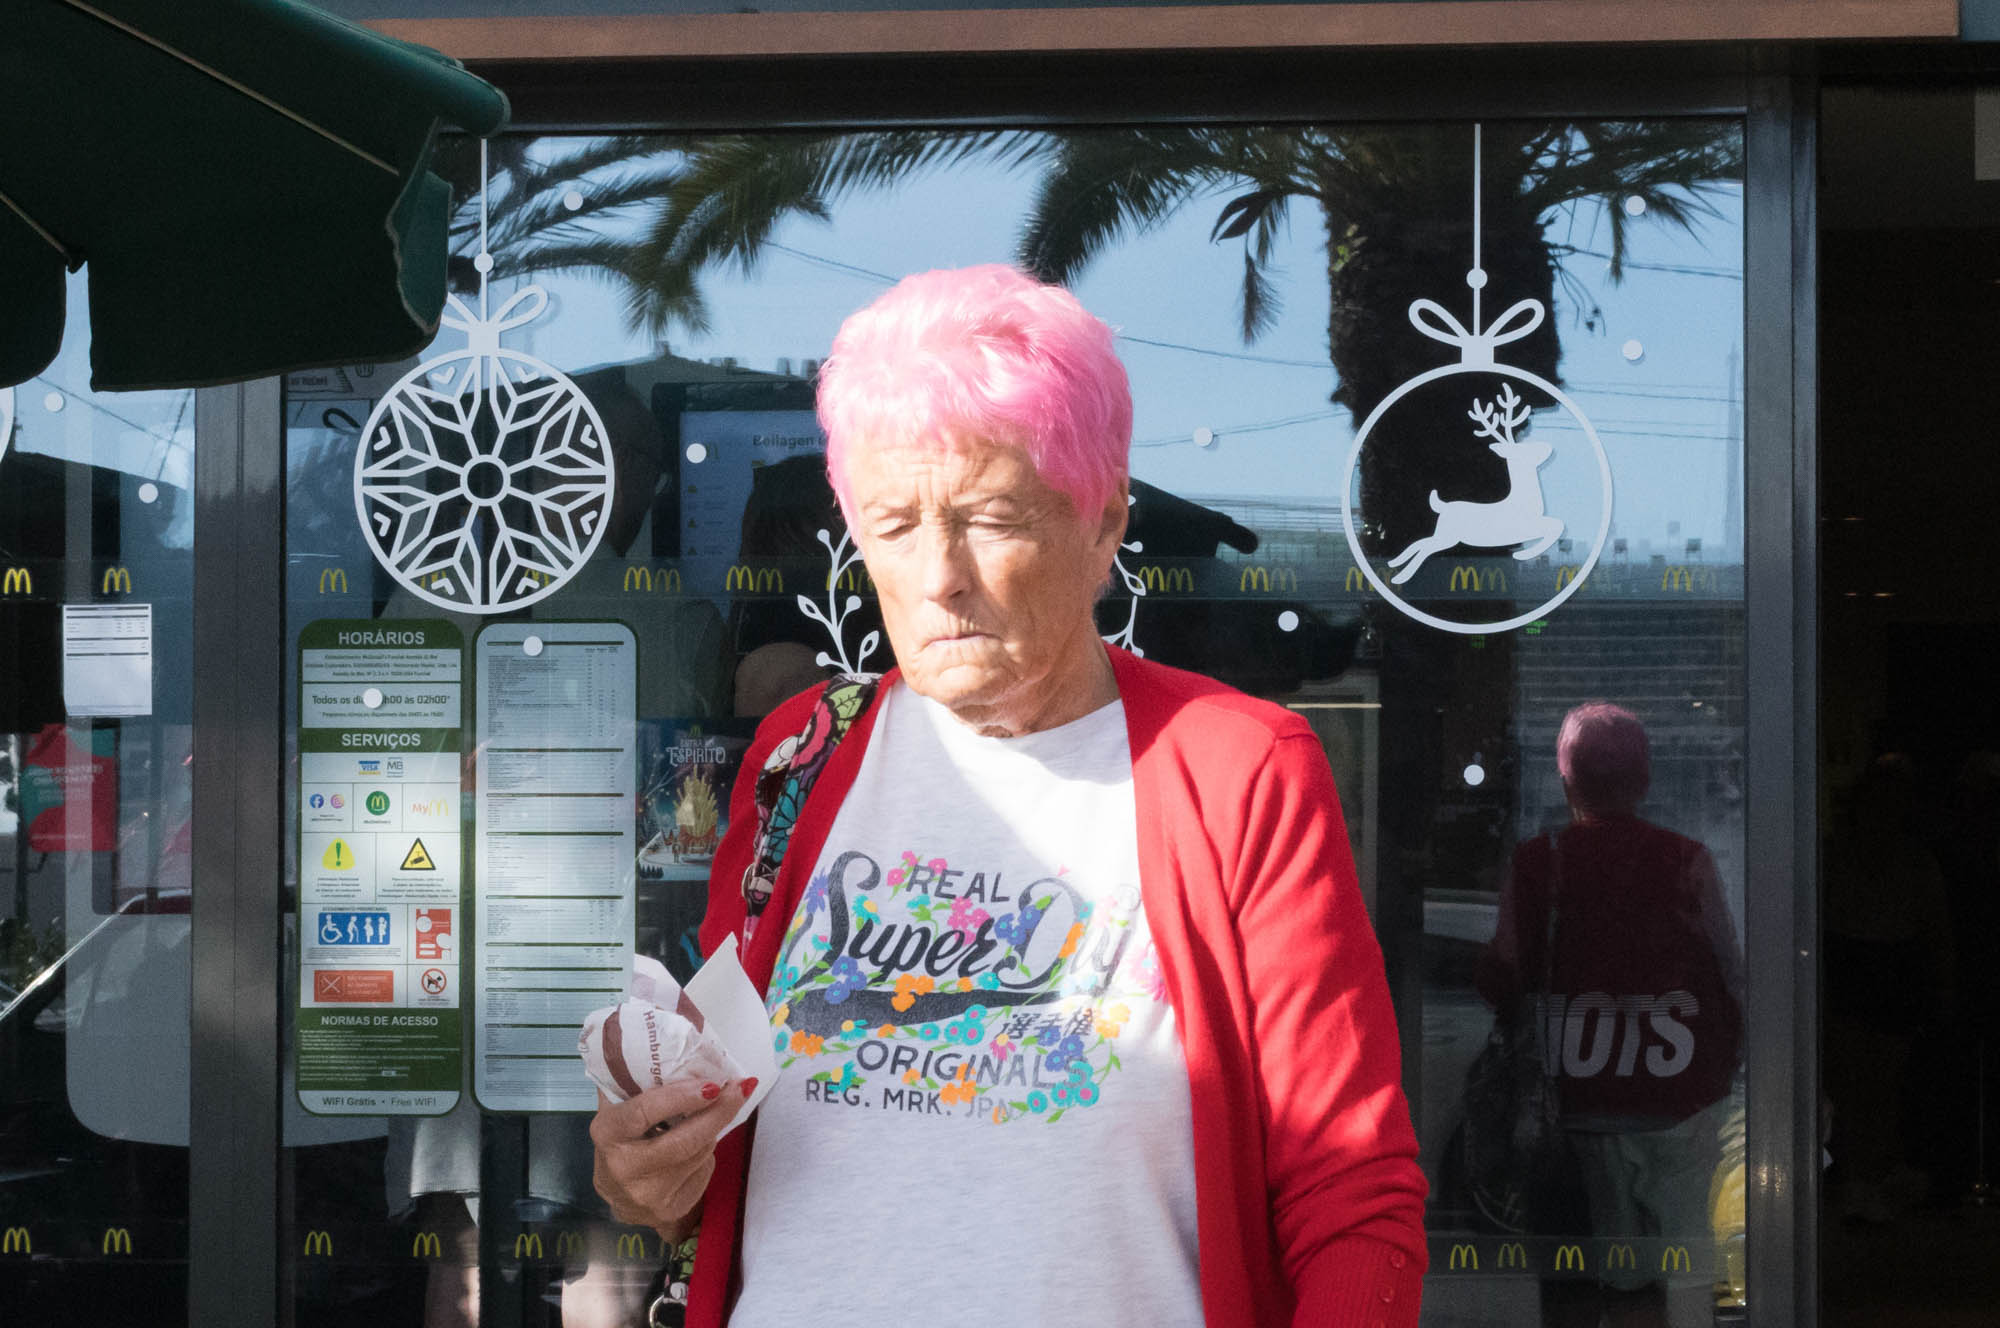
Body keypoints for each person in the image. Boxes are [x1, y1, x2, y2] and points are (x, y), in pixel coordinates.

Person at [591, 264, 1427, 1326]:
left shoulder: (1234, 767)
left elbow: (1350, 1191)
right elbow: (721, 1153)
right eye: (892, 525)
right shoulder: (798, 754)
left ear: (1101, 522)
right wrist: (650, 1180)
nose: (938, 572)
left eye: (988, 516)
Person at [1476, 703, 1744, 1328]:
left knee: (1608, 1275)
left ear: (1566, 780)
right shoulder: (1686, 858)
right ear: (1645, 779)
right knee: (1686, 1269)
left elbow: (1504, 973)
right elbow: (1729, 974)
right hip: (1679, 1089)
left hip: (1581, 1097)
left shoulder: (1541, 860)